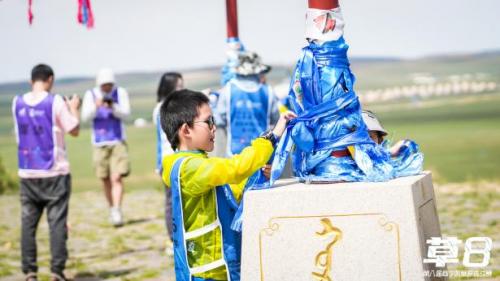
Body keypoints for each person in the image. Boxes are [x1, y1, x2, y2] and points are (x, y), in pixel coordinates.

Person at [160, 89, 294, 280]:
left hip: (218, 267)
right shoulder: (190, 167)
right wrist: (271, 138)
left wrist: (256, 174)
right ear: (186, 130)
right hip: (207, 272)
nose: (214, 128)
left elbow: (227, 191)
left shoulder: (196, 164)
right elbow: (236, 168)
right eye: (208, 122)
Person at [12, 64, 81, 281]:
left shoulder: (17, 102)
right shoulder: (55, 101)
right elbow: (74, 129)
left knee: (28, 225)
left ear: (31, 80)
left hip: (27, 170)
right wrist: (74, 108)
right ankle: (56, 271)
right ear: (50, 79)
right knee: (57, 223)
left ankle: (30, 271)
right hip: (54, 170)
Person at [81, 68, 131, 226]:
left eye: (109, 84)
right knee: (104, 178)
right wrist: (96, 106)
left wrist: (113, 107)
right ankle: (111, 208)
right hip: (99, 141)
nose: (107, 88)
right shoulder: (90, 94)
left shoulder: (120, 93)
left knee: (117, 176)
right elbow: (85, 117)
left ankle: (117, 209)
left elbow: (127, 114)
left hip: (117, 140)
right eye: (104, 85)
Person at [215, 51, 280, 157]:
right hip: (261, 156)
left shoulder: (228, 90)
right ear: (259, 70)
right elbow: (276, 121)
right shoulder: (268, 91)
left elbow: (219, 120)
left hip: (234, 156)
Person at [152, 72, 184, 253]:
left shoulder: (174, 106)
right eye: (179, 86)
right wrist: (159, 164)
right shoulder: (162, 108)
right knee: (171, 201)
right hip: (169, 159)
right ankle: (173, 239)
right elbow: (159, 139)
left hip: (179, 158)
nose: (182, 89)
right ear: (169, 87)